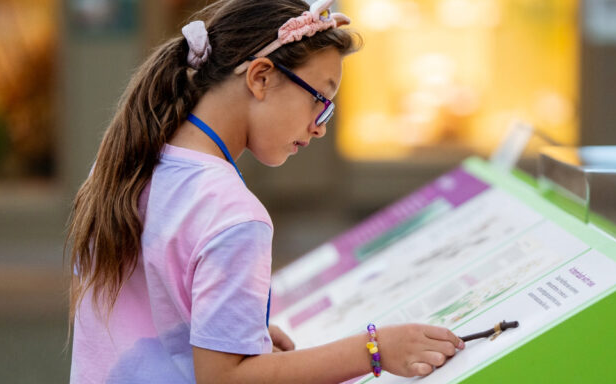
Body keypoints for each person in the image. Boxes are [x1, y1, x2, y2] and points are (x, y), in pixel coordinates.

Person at [65, 0, 464, 382]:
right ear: (260, 77)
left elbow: (144, 307)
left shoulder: (122, 163)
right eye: (319, 100)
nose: (320, 126)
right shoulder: (233, 214)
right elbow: (226, 379)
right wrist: (374, 350)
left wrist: (228, 331)